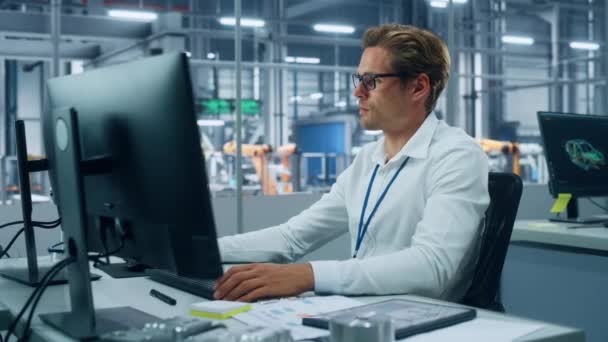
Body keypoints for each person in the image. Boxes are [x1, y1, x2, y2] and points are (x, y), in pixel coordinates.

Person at [214, 24, 490, 303]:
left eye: (371, 81)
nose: (358, 92)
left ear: (418, 87)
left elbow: (432, 267)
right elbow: (292, 238)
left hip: (424, 318)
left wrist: (307, 275)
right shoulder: (367, 159)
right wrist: (202, 251)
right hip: (363, 308)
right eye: (358, 79)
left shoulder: (456, 155)